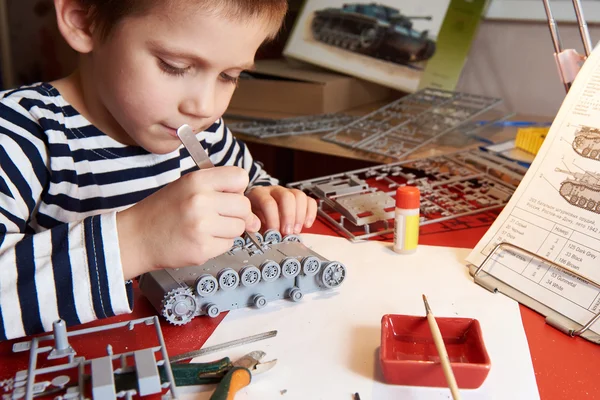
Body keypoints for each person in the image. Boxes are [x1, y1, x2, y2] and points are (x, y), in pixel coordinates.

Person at [0, 0, 317, 341]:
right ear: (83, 20)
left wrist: (264, 198)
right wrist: (138, 240)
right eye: (174, 66)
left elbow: (250, 181)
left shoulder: (203, 134)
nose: (204, 106)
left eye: (229, 76)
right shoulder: (22, 132)